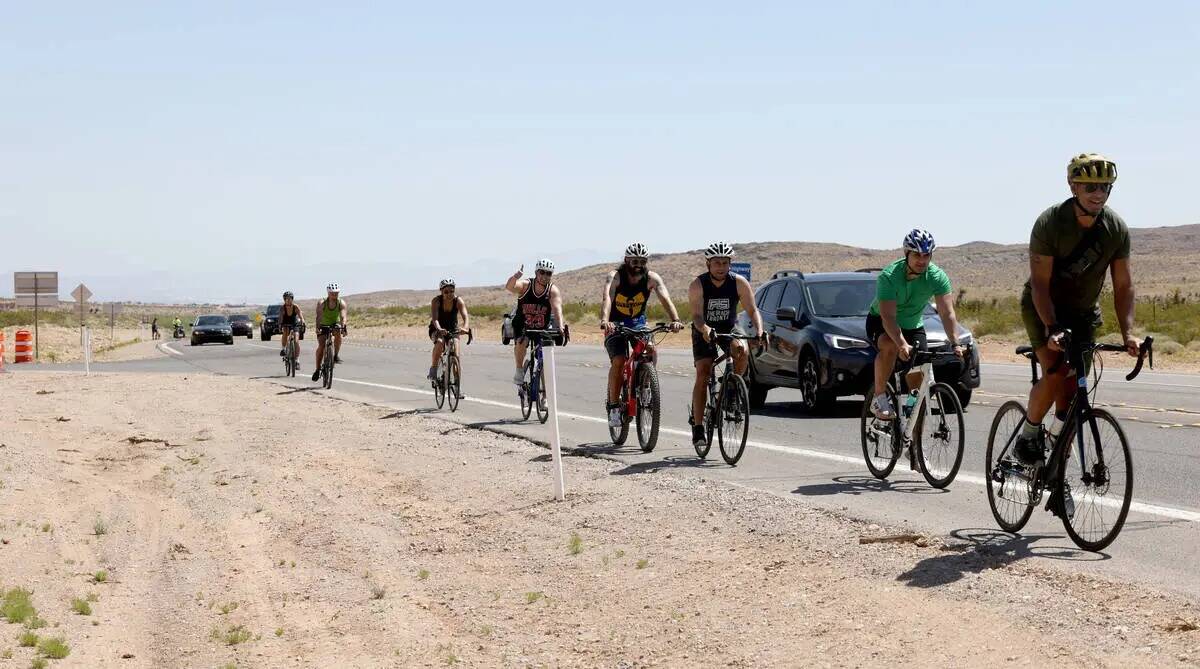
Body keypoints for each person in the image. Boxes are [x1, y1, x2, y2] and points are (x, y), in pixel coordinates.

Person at [1013, 153, 1140, 466]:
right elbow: (1040, 285)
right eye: (1091, 187)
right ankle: (1029, 434)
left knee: (1074, 395)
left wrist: (1130, 334)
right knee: (1057, 375)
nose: (1099, 194)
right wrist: (1052, 327)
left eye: (1105, 187)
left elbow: (1123, 286)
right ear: (1073, 187)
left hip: (1082, 314)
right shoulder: (1051, 223)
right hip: (1044, 307)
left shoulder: (1115, 229)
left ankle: (1057, 469)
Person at [865, 229, 965, 420]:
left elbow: (947, 313)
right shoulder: (889, 276)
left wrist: (956, 343)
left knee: (918, 385)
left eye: (926, 255)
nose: (922, 260)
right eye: (917, 255)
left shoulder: (937, 277)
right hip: (881, 322)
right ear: (906, 254)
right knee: (890, 345)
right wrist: (901, 343)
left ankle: (911, 426)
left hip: (913, 325)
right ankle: (879, 398)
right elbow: (888, 317)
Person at [687, 242, 765, 447]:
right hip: (703, 329)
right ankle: (697, 427)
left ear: (730, 264)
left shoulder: (739, 282)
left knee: (742, 350)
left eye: (724, 262)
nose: (721, 266)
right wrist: (705, 330)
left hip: (729, 328)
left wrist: (759, 330)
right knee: (703, 372)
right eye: (716, 263)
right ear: (708, 264)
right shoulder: (698, 284)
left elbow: (752, 309)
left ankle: (731, 389)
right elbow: (696, 316)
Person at [599, 242, 684, 427]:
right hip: (616, 325)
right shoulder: (616, 276)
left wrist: (676, 319)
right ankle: (614, 406)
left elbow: (665, 297)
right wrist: (605, 320)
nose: (638, 264)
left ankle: (646, 383)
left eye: (642, 261)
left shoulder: (651, 278)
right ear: (626, 260)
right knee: (619, 361)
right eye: (634, 260)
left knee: (651, 349)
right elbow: (608, 297)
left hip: (638, 324)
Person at [505, 259, 568, 385]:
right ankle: (519, 369)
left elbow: (557, 309)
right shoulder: (526, 285)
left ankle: (545, 395)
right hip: (523, 325)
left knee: (545, 360)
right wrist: (515, 277)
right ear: (536, 272)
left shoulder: (552, 290)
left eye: (548, 274)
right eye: (542, 272)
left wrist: (560, 326)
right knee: (522, 341)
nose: (545, 276)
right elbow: (510, 287)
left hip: (541, 327)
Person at [428, 278, 471, 387]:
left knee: (456, 355)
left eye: (452, 291)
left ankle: (457, 388)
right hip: (437, 328)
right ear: (441, 291)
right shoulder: (436, 301)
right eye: (446, 292)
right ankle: (433, 369)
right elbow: (435, 319)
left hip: (452, 329)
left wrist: (465, 328)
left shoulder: (458, 301)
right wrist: (439, 329)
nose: (449, 294)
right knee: (440, 342)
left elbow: (465, 316)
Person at [311, 282, 348, 382]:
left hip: (335, 323)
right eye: (332, 293)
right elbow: (318, 316)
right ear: (328, 293)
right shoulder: (322, 303)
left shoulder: (341, 303)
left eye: (336, 293)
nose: (334, 295)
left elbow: (343, 316)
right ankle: (318, 369)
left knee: (338, 333)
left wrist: (344, 326)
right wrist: (318, 327)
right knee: (322, 346)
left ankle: (335, 355)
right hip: (323, 324)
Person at [278, 291, 305, 370]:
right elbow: (280, 318)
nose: (288, 300)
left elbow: (300, 316)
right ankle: (283, 349)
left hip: (294, 324)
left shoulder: (295, 307)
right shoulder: (282, 308)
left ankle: (297, 360)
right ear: (284, 300)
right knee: (285, 332)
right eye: (286, 299)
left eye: (290, 299)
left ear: (292, 299)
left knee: (296, 341)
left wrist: (303, 322)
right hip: (286, 323)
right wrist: (280, 324)